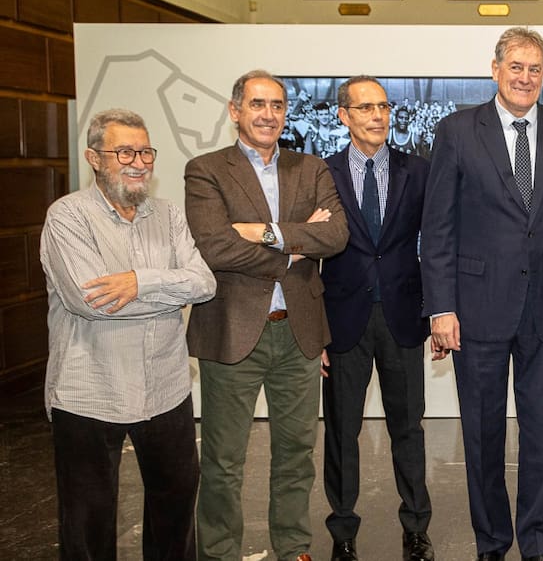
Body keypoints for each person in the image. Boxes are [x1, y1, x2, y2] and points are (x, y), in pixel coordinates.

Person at [420, 27, 543, 561]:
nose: (526, 78)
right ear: (495, 69)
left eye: (536, 69)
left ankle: (539, 542)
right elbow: (438, 228)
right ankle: (492, 543)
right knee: (482, 436)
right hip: (475, 309)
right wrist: (441, 309)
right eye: (517, 67)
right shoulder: (457, 131)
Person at [186, 70, 349, 561]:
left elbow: (337, 235)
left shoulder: (311, 168)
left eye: (277, 105)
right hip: (233, 332)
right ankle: (217, 552)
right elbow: (215, 246)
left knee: (296, 455)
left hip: (297, 334)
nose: (268, 114)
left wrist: (267, 233)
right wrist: (297, 245)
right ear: (235, 110)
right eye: (257, 104)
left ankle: (294, 547)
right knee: (223, 460)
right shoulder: (207, 169)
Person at [41, 109, 215, 560]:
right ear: (94, 158)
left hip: (165, 389)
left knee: (174, 513)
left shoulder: (169, 215)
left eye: (145, 152)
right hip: (89, 392)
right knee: (87, 524)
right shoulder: (67, 217)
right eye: (124, 152)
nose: (138, 162)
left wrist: (139, 281)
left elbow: (204, 282)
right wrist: (171, 286)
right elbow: (90, 300)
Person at [321, 76, 435, 561]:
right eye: (365, 107)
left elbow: (438, 245)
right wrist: (315, 333)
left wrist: (440, 310)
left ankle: (416, 527)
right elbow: (308, 257)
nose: (377, 116)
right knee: (342, 431)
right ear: (343, 115)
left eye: (384, 106)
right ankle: (342, 531)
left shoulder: (419, 171)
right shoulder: (321, 174)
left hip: (403, 316)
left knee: (408, 427)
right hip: (342, 319)